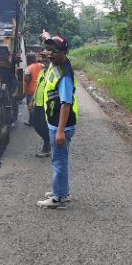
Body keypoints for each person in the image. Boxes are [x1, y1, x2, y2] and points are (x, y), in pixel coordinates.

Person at [36, 33, 78, 209]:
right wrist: (47, 36)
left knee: (59, 161)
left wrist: (60, 131)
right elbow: (51, 41)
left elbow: (66, 104)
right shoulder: (58, 62)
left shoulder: (65, 76)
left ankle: (58, 198)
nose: (50, 54)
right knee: (61, 160)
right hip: (55, 122)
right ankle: (62, 191)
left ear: (65, 52)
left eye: (54, 51)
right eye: (48, 50)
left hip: (61, 125)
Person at [31, 51, 52, 157]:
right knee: (36, 125)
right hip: (38, 103)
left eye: (47, 57)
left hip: (48, 105)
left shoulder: (54, 72)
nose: (45, 59)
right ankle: (48, 142)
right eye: (43, 57)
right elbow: (38, 86)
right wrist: (32, 100)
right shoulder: (42, 71)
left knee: (44, 127)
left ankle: (47, 147)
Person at [23, 52, 43, 125]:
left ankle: (31, 121)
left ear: (28, 59)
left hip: (31, 90)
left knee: (30, 106)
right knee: (40, 105)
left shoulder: (28, 68)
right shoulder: (42, 65)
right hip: (41, 89)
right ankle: (40, 121)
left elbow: (27, 79)